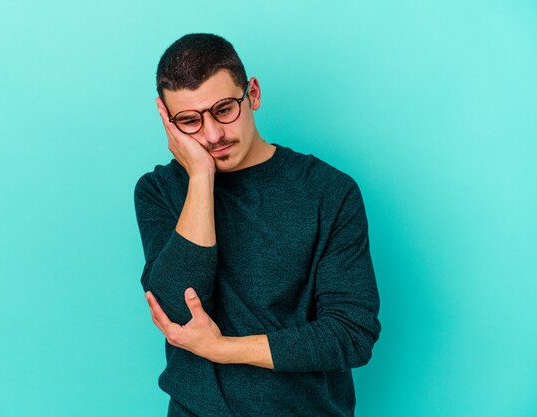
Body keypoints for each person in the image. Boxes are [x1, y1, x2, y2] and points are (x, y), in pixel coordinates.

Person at [134, 33, 381, 417]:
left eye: (223, 110)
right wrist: (201, 176)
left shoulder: (330, 191)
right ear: (168, 121)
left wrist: (223, 349)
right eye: (189, 121)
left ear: (252, 93)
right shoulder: (159, 191)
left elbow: (351, 334)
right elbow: (178, 313)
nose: (212, 134)